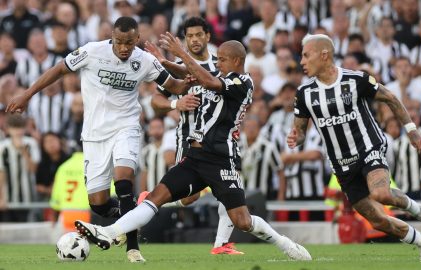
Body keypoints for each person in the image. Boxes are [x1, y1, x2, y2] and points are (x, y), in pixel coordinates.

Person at [74, 36, 312, 261]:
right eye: (217, 59)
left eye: (222, 59)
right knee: (154, 198)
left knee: (242, 221)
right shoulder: (219, 76)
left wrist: (180, 52)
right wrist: (166, 62)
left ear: (237, 61)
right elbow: (192, 74)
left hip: (221, 159)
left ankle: (285, 244)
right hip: (194, 157)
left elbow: (207, 79)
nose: (217, 63)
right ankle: (109, 232)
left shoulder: (242, 82)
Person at [6, 16, 192, 263]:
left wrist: (192, 73)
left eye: (129, 42)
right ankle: (134, 214)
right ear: (111, 38)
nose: (124, 48)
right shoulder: (92, 51)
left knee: (124, 179)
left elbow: (175, 86)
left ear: (137, 39)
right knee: (98, 204)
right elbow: (59, 69)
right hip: (94, 135)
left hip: (126, 127)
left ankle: (133, 248)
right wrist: (27, 95)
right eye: (119, 42)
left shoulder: (145, 60)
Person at [287, 34, 421, 262]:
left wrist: (411, 130)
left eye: (305, 55)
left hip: (369, 148)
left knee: (380, 193)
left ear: (324, 55)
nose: (301, 61)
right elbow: (300, 130)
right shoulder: (304, 94)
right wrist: (296, 137)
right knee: (378, 221)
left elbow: (390, 97)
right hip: (341, 164)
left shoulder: (355, 80)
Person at [146, 17, 243, 255]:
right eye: (189, 36)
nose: (195, 40)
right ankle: (148, 200)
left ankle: (221, 244)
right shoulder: (178, 65)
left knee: (230, 190)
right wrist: (176, 103)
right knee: (191, 198)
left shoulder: (222, 65)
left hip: (220, 141)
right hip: (190, 138)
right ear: (185, 39)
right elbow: (155, 102)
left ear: (208, 36)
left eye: (199, 35)